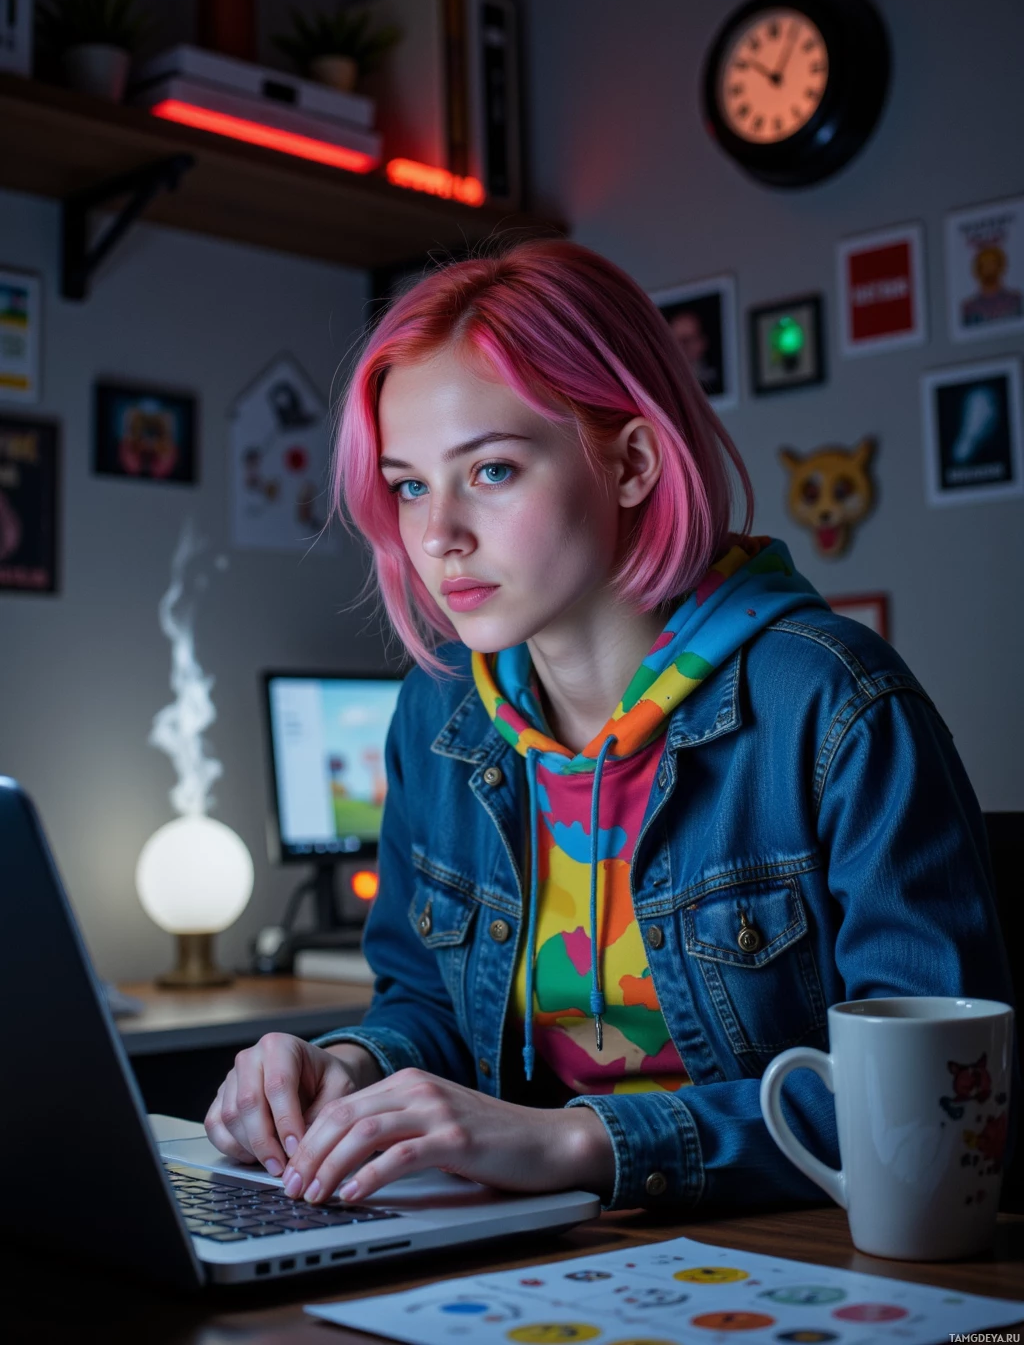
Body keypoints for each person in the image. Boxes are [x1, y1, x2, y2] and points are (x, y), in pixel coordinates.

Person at [205, 240, 1013, 1214]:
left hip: (788, 1253)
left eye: (490, 470)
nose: (436, 535)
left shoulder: (835, 705)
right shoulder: (436, 717)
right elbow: (423, 1003)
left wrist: (574, 1141)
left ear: (630, 462)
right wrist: (341, 1066)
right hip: (530, 1256)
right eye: (410, 484)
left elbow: (933, 1107)